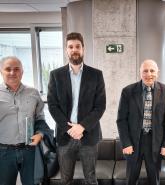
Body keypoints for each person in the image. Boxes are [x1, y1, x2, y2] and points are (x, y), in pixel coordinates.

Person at [47, 32, 106, 185]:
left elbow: (100, 106)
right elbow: (52, 105)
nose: (74, 50)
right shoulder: (55, 75)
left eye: (77, 46)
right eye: (71, 47)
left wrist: (81, 127)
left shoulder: (96, 75)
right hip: (65, 135)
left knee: (91, 179)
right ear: (66, 50)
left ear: (83, 49)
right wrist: (70, 129)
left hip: (88, 135)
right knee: (65, 179)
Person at [116, 59, 165, 185]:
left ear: (157, 72)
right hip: (133, 142)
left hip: (155, 142)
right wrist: (125, 143)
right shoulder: (128, 91)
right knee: (131, 179)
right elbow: (121, 120)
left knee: (154, 180)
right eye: (145, 71)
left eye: (152, 70)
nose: (149, 74)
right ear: (140, 73)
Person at [0, 56, 49, 185]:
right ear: (1, 71)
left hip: (29, 151)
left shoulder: (33, 93)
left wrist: (40, 134)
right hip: (4, 153)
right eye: (8, 69)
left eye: (16, 69)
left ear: (22, 72)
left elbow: (40, 118)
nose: (12, 72)